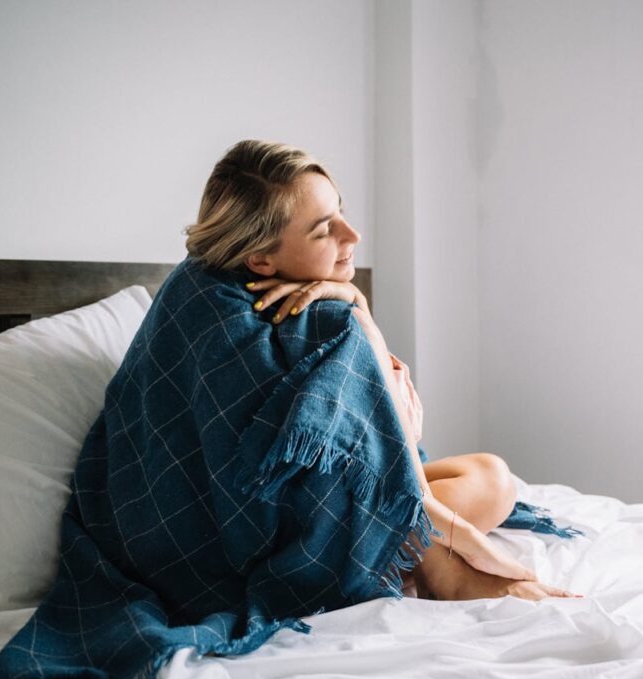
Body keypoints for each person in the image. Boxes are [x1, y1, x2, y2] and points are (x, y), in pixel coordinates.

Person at [187, 139, 579, 602]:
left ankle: (419, 535)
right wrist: (455, 529)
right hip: (264, 524)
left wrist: (364, 314)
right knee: (477, 490)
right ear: (260, 258)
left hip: (331, 500)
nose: (352, 236)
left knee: (493, 478)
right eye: (324, 230)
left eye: (342, 213)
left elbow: (389, 436)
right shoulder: (210, 308)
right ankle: (438, 562)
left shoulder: (322, 298)